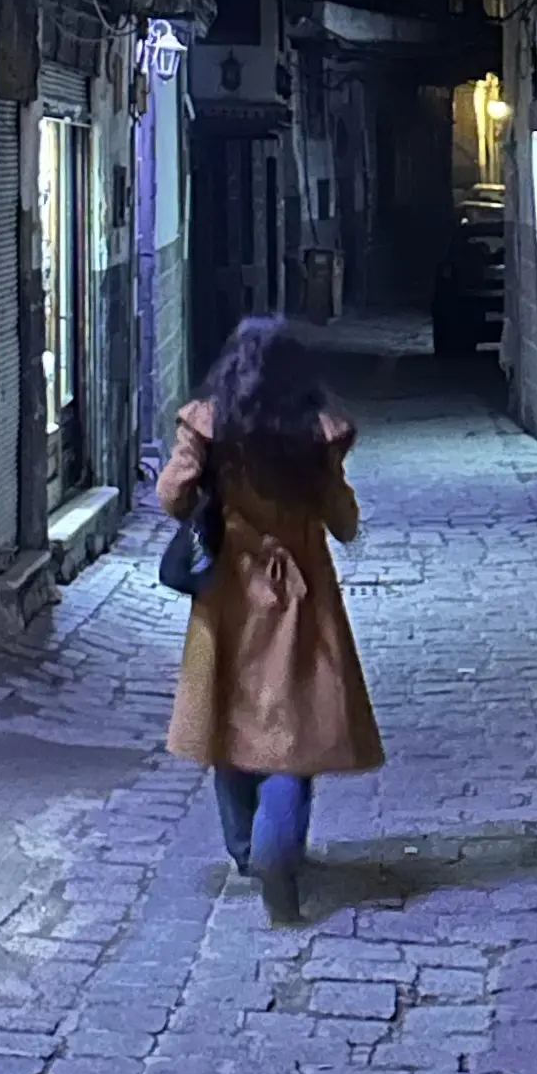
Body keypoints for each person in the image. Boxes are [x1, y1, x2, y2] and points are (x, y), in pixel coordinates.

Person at [156, 316, 383, 923]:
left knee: (227, 721)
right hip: (300, 598)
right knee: (294, 729)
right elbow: (344, 520)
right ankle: (278, 841)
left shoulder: (208, 426)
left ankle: (247, 849)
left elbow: (171, 495)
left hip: (230, 593)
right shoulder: (315, 435)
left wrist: (210, 483)